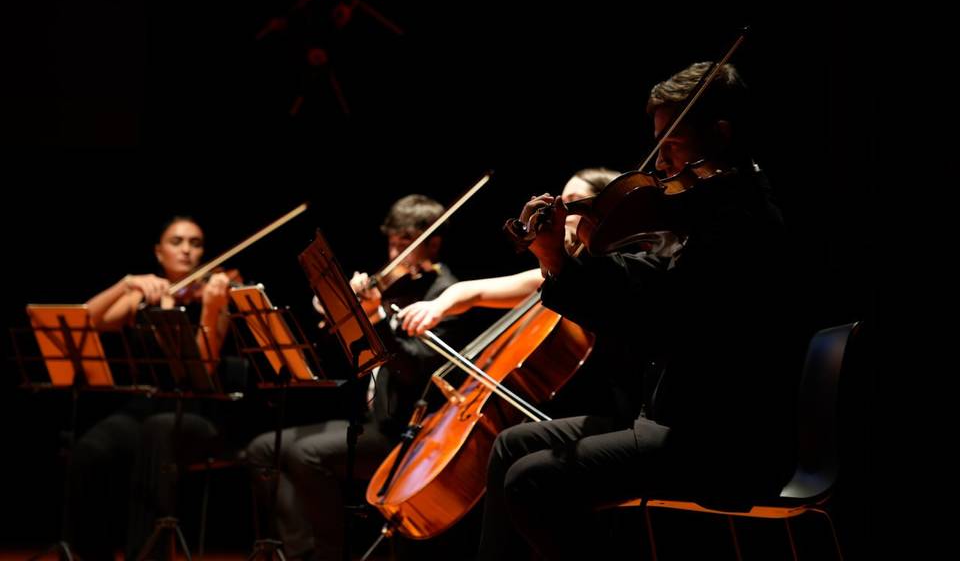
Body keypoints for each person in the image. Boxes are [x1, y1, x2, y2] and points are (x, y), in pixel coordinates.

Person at [476, 62, 805, 560]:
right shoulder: (707, 214)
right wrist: (554, 259)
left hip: (723, 443)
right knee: (510, 447)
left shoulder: (744, 222)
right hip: (677, 421)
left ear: (720, 135)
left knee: (532, 482)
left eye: (672, 144)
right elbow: (649, 280)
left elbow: (656, 313)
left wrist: (564, 264)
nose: (661, 164)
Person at [245, 194, 475, 561]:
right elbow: (353, 356)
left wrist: (379, 319)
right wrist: (338, 308)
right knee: (262, 448)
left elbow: (416, 368)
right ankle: (300, 550)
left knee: (305, 454)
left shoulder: (445, 295)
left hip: (408, 433)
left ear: (433, 242)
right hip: (372, 420)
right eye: (392, 240)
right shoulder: (390, 289)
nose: (395, 251)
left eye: (406, 241)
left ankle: (328, 554)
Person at [66, 216, 232, 561]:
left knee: (157, 433)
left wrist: (212, 310)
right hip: (144, 407)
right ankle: (92, 553)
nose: (186, 249)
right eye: (177, 241)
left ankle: (144, 555)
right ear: (159, 252)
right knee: (90, 450)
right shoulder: (146, 295)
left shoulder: (215, 298)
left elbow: (204, 368)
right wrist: (126, 284)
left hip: (194, 410)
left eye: (195, 243)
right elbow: (84, 321)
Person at [395, 168, 620, 338]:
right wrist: (438, 305)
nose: (560, 210)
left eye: (573, 201)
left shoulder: (618, 271)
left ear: (602, 208)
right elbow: (475, 291)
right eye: (561, 200)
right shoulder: (559, 275)